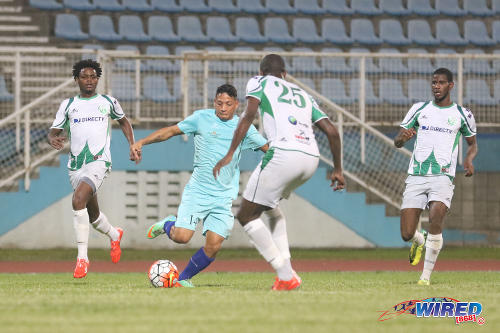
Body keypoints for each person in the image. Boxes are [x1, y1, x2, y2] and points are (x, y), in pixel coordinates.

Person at [213, 54, 345, 291]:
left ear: (261, 72)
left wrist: (230, 152)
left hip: (284, 153)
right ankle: (289, 272)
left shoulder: (258, 82)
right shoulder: (303, 94)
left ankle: (285, 275)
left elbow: (248, 115)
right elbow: (332, 132)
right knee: (272, 211)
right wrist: (337, 169)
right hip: (311, 159)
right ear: (285, 74)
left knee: (246, 215)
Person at [130, 84, 268, 287]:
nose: (223, 108)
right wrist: (141, 142)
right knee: (182, 237)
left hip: (223, 196)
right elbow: (170, 131)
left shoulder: (244, 127)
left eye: (228, 104)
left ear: (236, 105)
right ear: (214, 102)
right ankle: (169, 224)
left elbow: (268, 149)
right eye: (219, 103)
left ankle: (183, 278)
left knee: (213, 246)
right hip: (198, 191)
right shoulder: (201, 118)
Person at [48, 59, 135, 278]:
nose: (89, 80)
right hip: (76, 165)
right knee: (92, 215)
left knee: (78, 200)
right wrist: (53, 138)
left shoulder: (108, 101)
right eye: (85, 76)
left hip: (99, 161)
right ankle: (115, 235)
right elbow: (54, 130)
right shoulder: (68, 105)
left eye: (93, 76)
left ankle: (82, 259)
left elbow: (124, 122)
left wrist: (132, 145)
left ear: (98, 79)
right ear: (76, 78)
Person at [394, 68, 477, 285]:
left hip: (443, 176)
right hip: (417, 175)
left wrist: (469, 160)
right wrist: (402, 139)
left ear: (451, 85)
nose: (436, 86)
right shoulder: (419, 109)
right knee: (406, 233)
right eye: (433, 83)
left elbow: (472, 144)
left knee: (436, 218)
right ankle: (418, 240)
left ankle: (425, 277)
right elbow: (398, 141)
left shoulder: (462, 114)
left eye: (441, 83)